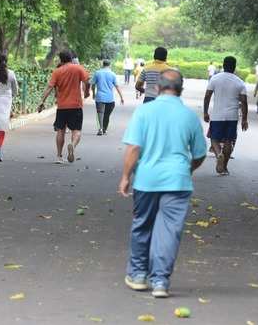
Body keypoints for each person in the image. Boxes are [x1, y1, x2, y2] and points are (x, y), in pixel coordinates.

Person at [118, 69, 206, 298]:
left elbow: (134, 148)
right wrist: (186, 170)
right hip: (178, 182)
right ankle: (160, 282)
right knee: (169, 232)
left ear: (157, 88)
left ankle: (138, 275)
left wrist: (126, 176)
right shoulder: (189, 116)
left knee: (142, 225)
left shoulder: (144, 112)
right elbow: (199, 154)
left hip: (146, 180)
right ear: (181, 89)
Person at [38, 50, 90, 164]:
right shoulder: (78, 68)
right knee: (76, 130)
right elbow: (87, 81)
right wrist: (87, 92)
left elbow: (49, 87)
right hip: (76, 105)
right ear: (71, 58)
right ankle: (72, 144)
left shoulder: (57, 71)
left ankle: (59, 156)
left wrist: (42, 101)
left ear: (60, 60)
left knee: (60, 131)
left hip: (62, 106)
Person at [203, 56, 248, 175]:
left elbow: (207, 96)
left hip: (217, 115)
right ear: (234, 67)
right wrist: (244, 119)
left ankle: (218, 154)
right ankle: (224, 168)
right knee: (229, 141)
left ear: (223, 65)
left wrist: (205, 112)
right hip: (232, 116)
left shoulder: (215, 78)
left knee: (214, 138)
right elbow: (244, 101)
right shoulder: (240, 82)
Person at [91, 60, 124, 136]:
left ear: (103, 64)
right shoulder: (112, 74)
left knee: (100, 113)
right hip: (110, 98)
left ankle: (101, 129)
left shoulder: (97, 73)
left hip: (99, 97)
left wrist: (93, 93)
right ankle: (104, 129)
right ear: (110, 65)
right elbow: (117, 86)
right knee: (107, 114)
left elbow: (92, 84)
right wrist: (121, 97)